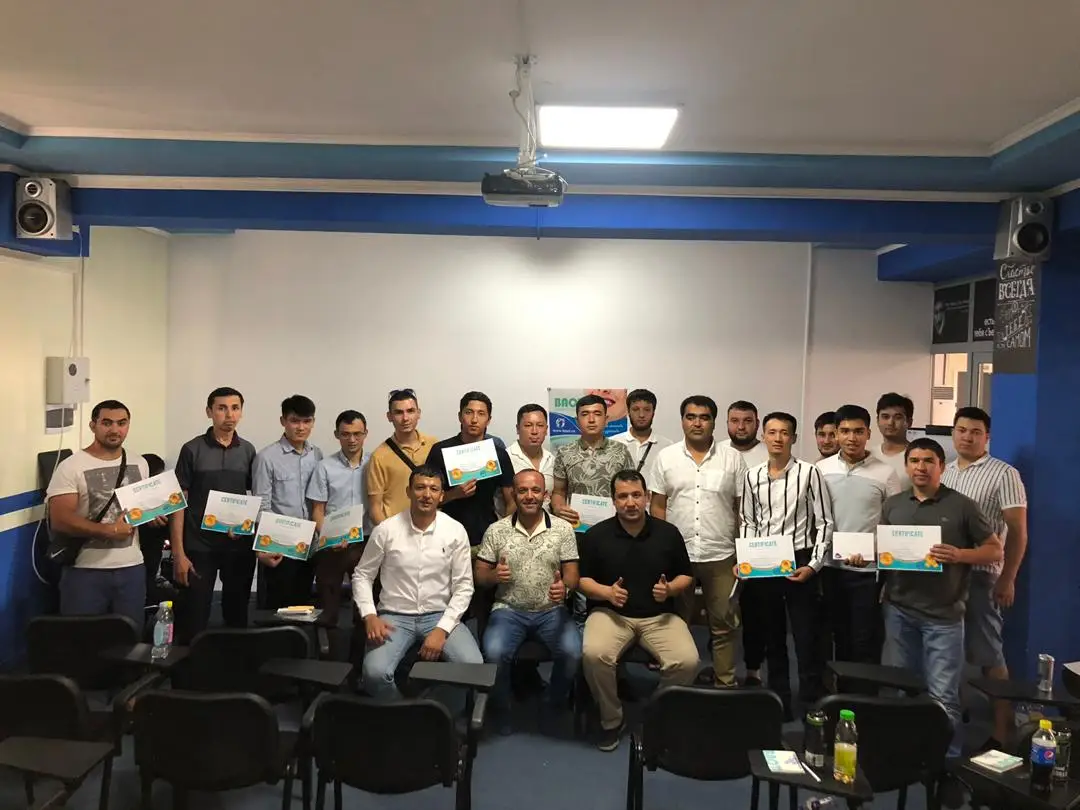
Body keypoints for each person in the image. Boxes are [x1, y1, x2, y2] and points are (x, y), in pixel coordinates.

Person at [881, 438, 1002, 761]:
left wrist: (960, 555)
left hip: (944, 615)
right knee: (901, 687)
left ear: (941, 467)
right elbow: (883, 550)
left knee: (943, 695)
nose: (921, 467)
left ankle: (946, 760)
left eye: (928, 461)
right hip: (899, 610)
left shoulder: (962, 506)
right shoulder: (893, 505)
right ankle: (903, 754)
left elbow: (994, 549)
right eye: (915, 461)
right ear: (906, 466)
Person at [579, 470, 698, 751]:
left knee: (688, 661)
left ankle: (656, 714)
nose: (630, 502)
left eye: (636, 495)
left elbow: (686, 575)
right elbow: (581, 580)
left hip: (659, 616)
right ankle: (612, 719)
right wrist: (606, 593)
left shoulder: (668, 533)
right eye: (623, 496)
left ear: (647, 497)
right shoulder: (596, 535)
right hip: (610, 614)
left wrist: (670, 590)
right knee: (594, 655)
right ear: (613, 500)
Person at [353, 465, 482, 699]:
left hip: (439, 615)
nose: (427, 494)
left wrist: (442, 629)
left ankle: (434, 710)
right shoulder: (386, 530)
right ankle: (403, 713)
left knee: (473, 668)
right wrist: (369, 615)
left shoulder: (455, 531)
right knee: (374, 673)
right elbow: (362, 575)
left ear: (441, 495)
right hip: (394, 615)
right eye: (420, 488)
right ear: (409, 492)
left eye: (434, 489)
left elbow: (464, 586)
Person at [942, 407, 1027, 749]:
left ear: (987, 436)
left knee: (989, 653)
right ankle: (951, 716)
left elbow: (1018, 532)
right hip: (946, 576)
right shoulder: (945, 471)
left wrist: (1008, 578)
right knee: (949, 649)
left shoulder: (1004, 474)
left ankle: (1003, 731)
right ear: (953, 432)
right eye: (961, 430)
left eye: (975, 432)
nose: (967, 437)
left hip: (981, 576)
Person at [739, 411, 833, 715]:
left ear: (793, 438)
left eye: (784, 433)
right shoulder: (752, 476)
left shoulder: (809, 473)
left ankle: (811, 705)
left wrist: (814, 565)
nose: (778, 438)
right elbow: (748, 521)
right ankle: (780, 702)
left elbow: (825, 522)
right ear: (763, 436)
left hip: (800, 560)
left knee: (806, 637)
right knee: (772, 636)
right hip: (765, 560)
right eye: (772, 432)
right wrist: (746, 559)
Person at [650, 395, 746, 687]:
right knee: (676, 623)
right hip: (679, 556)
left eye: (704, 417)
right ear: (682, 421)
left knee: (724, 623)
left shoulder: (733, 459)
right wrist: (660, 551)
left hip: (722, 554)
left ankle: (724, 683)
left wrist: (743, 552)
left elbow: (742, 509)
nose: (697, 423)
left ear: (714, 422)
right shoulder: (666, 457)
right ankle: (678, 685)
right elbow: (657, 507)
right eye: (691, 417)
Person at [475, 470, 581, 734]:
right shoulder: (497, 530)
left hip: (551, 610)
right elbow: (479, 575)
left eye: (535, 490)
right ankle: (501, 708)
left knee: (573, 652)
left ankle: (553, 703)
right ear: (514, 494)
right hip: (508, 610)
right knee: (494, 652)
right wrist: (493, 576)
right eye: (522, 491)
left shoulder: (563, 529)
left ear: (546, 495)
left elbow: (572, 574)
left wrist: (565, 588)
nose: (529, 496)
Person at [46, 400, 153, 628]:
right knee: (83, 640)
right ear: (93, 425)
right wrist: (108, 530)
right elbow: (60, 520)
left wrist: (152, 516)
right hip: (85, 571)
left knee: (130, 638)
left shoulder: (140, 463)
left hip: (132, 568)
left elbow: (138, 510)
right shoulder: (71, 467)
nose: (115, 429)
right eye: (107, 423)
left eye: (121, 423)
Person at [171, 387, 258, 643]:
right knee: (194, 617)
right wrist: (178, 554)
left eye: (235, 408)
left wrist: (245, 526)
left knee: (237, 616)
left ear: (241, 412)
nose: (229, 415)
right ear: (209, 412)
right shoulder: (192, 449)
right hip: (199, 547)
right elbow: (178, 503)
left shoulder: (248, 450)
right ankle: (189, 666)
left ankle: (232, 664)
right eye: (222, 408)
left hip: (237, 546)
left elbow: (254, 498)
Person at [816, 404, 901, 667]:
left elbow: (893, 524)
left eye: (858, 431)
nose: (851, 438)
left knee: (864, 639)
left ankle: (863, 690)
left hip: (867, 571)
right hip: (828, 567)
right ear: (836, 433)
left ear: (868, 434)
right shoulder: (820, 469)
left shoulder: (885, 473)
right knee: (834, 635)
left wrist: (876, 555)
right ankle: (838, 689)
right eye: (845, 431)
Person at [307, 409, 372, 662]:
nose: (352, 440)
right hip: (331, 546)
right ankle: (328, 665)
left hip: (365, 543)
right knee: (329, 609)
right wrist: (330, 538)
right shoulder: (324, 467)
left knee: (363, 608)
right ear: (337, 435)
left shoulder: (375, 464)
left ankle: (358, 666)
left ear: (365, 434)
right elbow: (318, 510)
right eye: (345, 434)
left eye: (357, 434)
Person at [253, 395, 323, 609]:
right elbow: (262, 506)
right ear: (283, 421)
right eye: (294, 421)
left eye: (306, 421)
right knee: (279, 609)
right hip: (280, 546)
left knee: (304, 606)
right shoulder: (266, 457)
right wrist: (264, 547)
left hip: (310, 545)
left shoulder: (317, 455)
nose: (301, 427)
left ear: (313, 422)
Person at [424, 392, 515, 548]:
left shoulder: (498, 454)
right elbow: (427, 498)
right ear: (460, 416)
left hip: (486, 536)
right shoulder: (440, 451)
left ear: (489, 419)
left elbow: (512, 500)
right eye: (469, 412)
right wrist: (454, 494)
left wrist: (503, 533)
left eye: (481, 414)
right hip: (446, 536)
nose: (474, 419)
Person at [551, 394, 634, 524]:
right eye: (585, 414)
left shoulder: (621, 451)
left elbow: (631, 490)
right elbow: (559, 492)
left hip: (615, 526)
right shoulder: (564, 452)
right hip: (577, 527)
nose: (591, 420)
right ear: (577, 421)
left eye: (597, 414)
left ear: (606, 419)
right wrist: (558, 508)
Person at [366, 389, 437, 525]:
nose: (405, 418)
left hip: (432, 528)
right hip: (397, 530)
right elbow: (375, 508)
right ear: (389, 416)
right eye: (398, 412)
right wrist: (389, 534)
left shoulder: (434, 445)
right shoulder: (379, 456)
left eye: (410, 411)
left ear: (418, 413)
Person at [611, 389, 673, 499]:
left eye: (647, 410)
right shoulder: (614, 443)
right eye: (635, 409)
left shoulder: (667, 447)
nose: (641, 415)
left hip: (654, 507)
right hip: (620, 506)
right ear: (628, 412)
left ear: (653, 412)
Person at [504, 403, 555, 510]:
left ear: (546, 429)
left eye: (540, 425)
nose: (534, 431)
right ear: (518, 429)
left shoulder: (552, 460)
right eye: (528, 425)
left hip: (546, 520)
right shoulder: (505, 458)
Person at [873, 393, 914, 491]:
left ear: (909, 422)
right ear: (877, 420)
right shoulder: (868, 455)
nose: (890, 422)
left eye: (898, 417)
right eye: (885, 417)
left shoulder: (917, 457)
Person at [719, 400, 769, 469]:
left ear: (757, 424)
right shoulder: (715, 452)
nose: (741, 427)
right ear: (728, 423)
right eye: (735, 421)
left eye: (748, 421)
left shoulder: (770, 455)